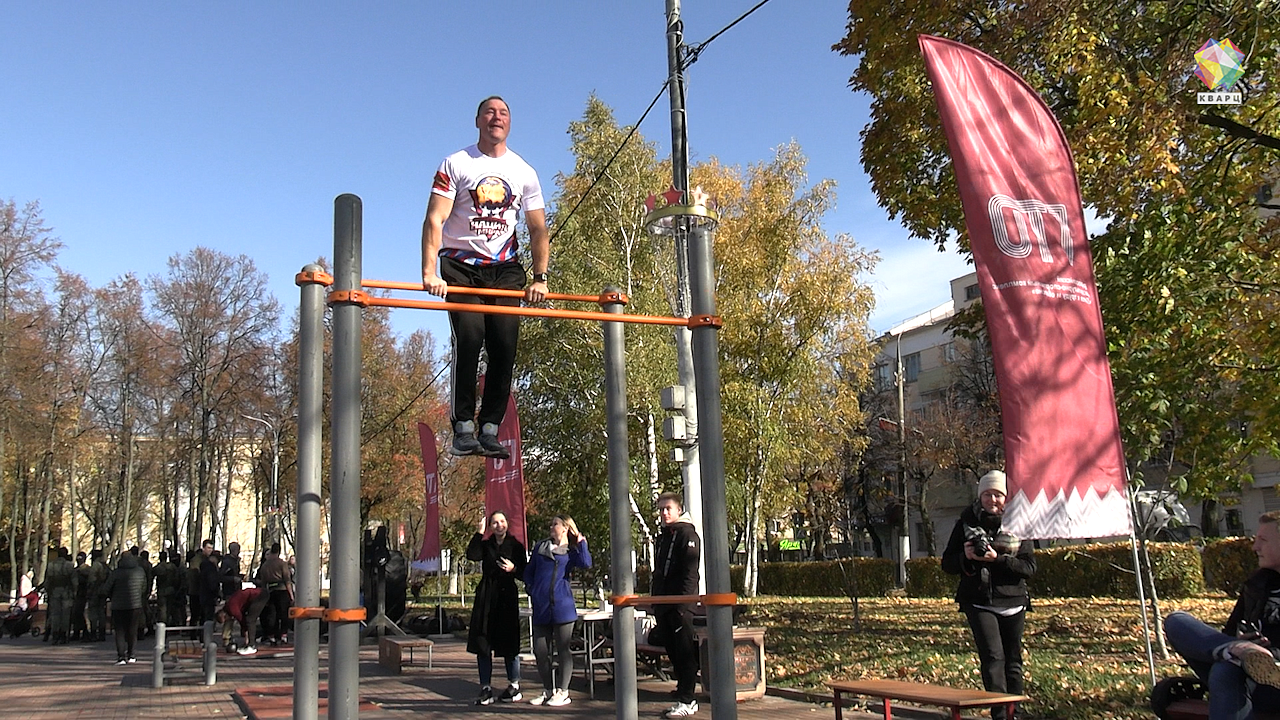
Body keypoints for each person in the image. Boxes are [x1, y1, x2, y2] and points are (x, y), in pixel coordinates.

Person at [421, 95, 550, 459]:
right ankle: (463, 426)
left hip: (504, 267)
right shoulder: (457, 163)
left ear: (510, 123)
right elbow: (435, 219)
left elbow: (538, 228)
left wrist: (539, 277)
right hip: (461, 264)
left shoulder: (524, 172)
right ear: (478, 121)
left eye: (504, 113)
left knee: (504, 344)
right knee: (471, 335)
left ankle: (490, 427)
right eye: (490, 112)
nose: (497, 118)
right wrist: (429, 272)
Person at [1164, 511, 1280, 718]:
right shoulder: (1257, 584)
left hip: (1274, 683)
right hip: (1242, 668)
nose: (1255, 547)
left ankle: (1242, 654)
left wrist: (1269, 655)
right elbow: (1228, 631)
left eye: (1263, 540)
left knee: (1225, 671)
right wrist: (1238, 642)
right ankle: (1238, 651)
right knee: (1177, 621)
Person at [941, 470, 1036, 720]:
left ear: (1006, 498)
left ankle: (1016, 709)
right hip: (979, 601)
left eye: (998, 495)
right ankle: (1000, 714)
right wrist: (966, 558)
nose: (993, 500)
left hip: (1013, 601)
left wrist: (998, 560)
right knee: (994, 658)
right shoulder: (965, 524)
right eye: (987, 495)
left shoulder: (1018, 524)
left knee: (1013, 660)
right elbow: (947, 564)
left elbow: (1029, 567)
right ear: (980, 495)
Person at [524, 514, 592, 706]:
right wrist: (531, 589)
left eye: (555, 524)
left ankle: (563, 691)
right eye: (551, 523)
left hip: (563, 607)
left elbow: (586, 563)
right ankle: (547, 690)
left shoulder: (571, 551)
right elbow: (529, 572)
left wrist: (581, 541)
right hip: (541, 607)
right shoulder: (541, 548)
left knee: (563, 649)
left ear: (565, 528)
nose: (551, 527)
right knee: (540, 650)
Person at [466, 510, 527, 705]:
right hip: (487, 597)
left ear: (507, 524)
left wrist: (514, 569)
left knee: (509, 642)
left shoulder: (516, 546)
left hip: (506, 597)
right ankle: (486, 687)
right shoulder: (486, 545)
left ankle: (514, 685)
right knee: (483, 642)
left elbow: (524, 572)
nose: (499, 525)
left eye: (502, 521)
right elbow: (472, 555)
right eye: (494, 522)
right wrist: (479, 532)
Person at [652, 492, 702, 719]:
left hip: (680, 606)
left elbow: (690, 574)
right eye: (661, 509)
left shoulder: (687, 535)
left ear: (678, 510)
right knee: (673, 650)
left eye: (668, 509)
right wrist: (656, 602)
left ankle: (688, 699)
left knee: (684, 653)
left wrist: (682, 606)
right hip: (664, 605)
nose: (663, 513)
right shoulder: (664, 536)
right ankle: (683, 690)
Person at [101, 552, 147, 665]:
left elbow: (106, 588)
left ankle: (121, 657)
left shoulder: (116, 573)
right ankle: (132, 655)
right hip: (135, 605)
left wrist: (111, 596)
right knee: (132, 630)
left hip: (118, 605)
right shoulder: (140, 571)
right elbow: (144, 587)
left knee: (120, 632)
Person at [257, 542, 293, 645]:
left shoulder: (265, 565)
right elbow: (287, 579)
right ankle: (283, 635)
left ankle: (272, 635)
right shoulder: (282, 563)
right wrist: (291, 595)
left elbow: (263, 581)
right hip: (281, 590)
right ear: (279, 551)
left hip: (270, 591)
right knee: (283, 614)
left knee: (272, 614)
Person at [217, 585, 269, 655]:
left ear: (224, 615)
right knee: (250, 619)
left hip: (258, 596)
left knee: (250, 620)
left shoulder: (232, 609)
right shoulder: (229, 606)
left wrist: (245, 633)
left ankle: (251, 646)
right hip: (259, 594)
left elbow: (242, 621)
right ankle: (251, 642)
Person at [44, 547, 75, 645]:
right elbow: (74, 581)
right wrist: (74, 592)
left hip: (54, 592)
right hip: (66, 591)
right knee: (65, 614)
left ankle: (55, 634)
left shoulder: (51, 565)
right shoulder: (69, 565)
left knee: (55, 614)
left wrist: (48, 591)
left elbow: (47, 581)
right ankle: (63, 634)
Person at [86, 549, 110, 642]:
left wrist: (89, 591)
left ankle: (93, 633)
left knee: (93, 613)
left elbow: (91, 580)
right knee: (101, 613)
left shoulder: (95, 565)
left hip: (95, 591)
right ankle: (102, 633)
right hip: (103, 591)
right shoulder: (105, 566)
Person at [71, 551, 90, 641]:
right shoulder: (75, 570)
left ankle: (85, 632)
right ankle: (77, 632)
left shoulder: (87, 569)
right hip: (76, 593)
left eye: (81, 559)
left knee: (79, 613)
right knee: (75, 613)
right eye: (78, 559)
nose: (79, 561)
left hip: (83, 593)